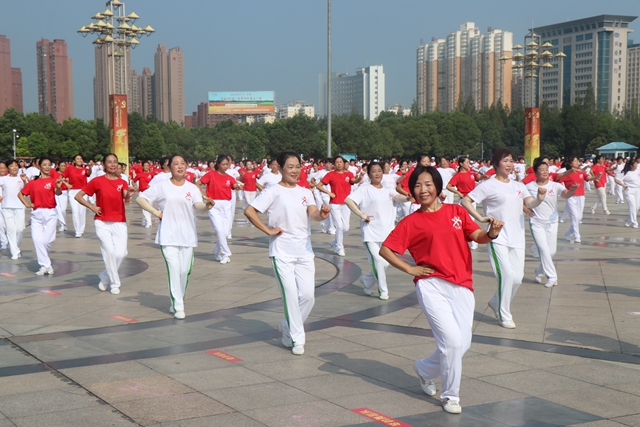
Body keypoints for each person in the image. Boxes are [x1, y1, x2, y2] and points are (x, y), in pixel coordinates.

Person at [380, 165, 504, 415]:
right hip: (431, 284)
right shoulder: (411, 221)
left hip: (462, 285)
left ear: (437, 186)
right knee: (451, 342)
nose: (422, 189)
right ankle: (450, 396)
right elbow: (386, 250)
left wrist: (491, 234)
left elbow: (477, 234)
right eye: (417, 185)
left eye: (427, 184)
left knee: (462, 345)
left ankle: (425, 370)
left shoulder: (456, 211)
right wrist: (410, 270)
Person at [244, 152, 331, 355]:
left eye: (297, 166)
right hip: (282, 251)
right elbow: (250, 210)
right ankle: (297, 338)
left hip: (304, 250)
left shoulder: (305, 192)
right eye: (290, 166)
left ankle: (286, 325)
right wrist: (268, 230)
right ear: (281, 168)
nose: (295, 170)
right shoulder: (273, 191)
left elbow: (313, 214)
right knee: (291, 295)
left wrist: (322, 215)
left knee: (308, 296)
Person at [462, 148, 547, 329]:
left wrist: (539, 198)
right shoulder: (488, 185)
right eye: (505, 161)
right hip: (497, 237)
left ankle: (495, 301)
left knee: (517, 278)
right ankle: (503, 313)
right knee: (506, 275)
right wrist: (480, 218)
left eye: (511, 161)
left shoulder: (518, 185)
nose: (509, 164)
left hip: (517, 238)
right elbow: (466, 201)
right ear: (495, 164)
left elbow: (529, 203)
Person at [136, 155, 214, 319]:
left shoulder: (192, 188)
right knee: (174, 269)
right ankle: (179, 305)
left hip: (187, 235)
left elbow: (198, 205)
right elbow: (140, 199)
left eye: (182, 164)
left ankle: (176, 300)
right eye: (176, 164)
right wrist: (156, 212)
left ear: (187, 167)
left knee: (185, 271)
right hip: (168, 235)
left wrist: (206, 207)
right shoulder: (162, 186)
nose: (180, 166)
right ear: (169, 167)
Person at [345, 161, 410, 300]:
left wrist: (407, 198)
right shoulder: (364, 189)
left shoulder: (388, 190)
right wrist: (362, 215)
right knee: (379, 261)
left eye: (379, 171)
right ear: (369, 174)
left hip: (387, 232)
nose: (377, 174)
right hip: (370, 232)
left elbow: (398, 197)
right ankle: (383, 291)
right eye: (373, 171)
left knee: (386, 262)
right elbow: (349, 201)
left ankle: (367, 280)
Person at [74, 154, 135, 294]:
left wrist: (129, 193)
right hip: (102, 221)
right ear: (104, 164)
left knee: (121, 253)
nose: (113, 165)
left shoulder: (122, 182)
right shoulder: (97, 181)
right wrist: (93, 207)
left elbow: (125, 195)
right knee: (109, 252)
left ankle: (105, 276)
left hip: (119, 221)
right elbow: (78, 196)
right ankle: (114, 283)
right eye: (109, 162)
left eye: (115, 162)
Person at [526, 158, 579, 288]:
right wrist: (525, 209)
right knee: (544, 250)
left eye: (546, 170)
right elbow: (519, 199)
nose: (544, 172)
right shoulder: (529, 186)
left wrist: (572, 190)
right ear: (536, 172)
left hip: (552, 222)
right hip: (536, 222)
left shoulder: (555, 185)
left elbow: (566, 195)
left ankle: (539, 271)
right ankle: (552, 277)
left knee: (551, 252)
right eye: (541, 170)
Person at [18, 158, 63, 275]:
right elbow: (21, 194)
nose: (47, 167)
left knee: (47, 240)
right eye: (45, 165)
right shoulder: (33, 183)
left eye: (49, 165)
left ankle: (44, 264)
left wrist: (58, 187)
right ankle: (45, 265)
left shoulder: (53, 181)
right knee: (37, 240)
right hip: (37, 214)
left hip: (50, 213)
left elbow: (58, 193)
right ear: (39, 166)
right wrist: (27, 204)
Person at [316, 156, 364, 256]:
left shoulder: (349, 174)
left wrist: (360, 177)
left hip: (346, 203)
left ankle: (335, 242)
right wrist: (329, 193)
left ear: (344, 163)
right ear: (334, 164)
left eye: (340, 162)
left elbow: (354, 181)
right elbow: (319, 185)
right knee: (339, 226)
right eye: (337, 162)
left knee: (346, 227)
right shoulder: (330, 175)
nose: (339, 164)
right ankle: (339, 247)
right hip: (334, 204)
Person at [196, 155, 239, 264]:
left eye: (227, 164)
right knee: (219, 230)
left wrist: (238, 186)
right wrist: (204, 196)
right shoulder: (211, 174)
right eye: (223, 164)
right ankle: (226, 254)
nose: (225, 166)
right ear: (218, 164)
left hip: (226, 205)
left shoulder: (230, 177)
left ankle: (216, 250)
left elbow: (234, 185)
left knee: (225, 232)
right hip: (214, 204)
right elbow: (198, 184)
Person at [558, 157, 598, 243]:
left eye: (577, 161)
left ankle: (568, 233)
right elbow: (558, 181)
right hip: (570, 196)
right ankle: (577, 236)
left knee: (579, 218)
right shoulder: (566, 173)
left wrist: (596, 177)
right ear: (570, 163)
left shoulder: (580, 172)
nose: (577, 162)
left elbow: (588, 178)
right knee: (574, 217)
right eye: (575, 161)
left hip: (581, 196)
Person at [447, 156, 480, 250]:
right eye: (467, 162)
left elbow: (479, 177)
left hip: (472, 200)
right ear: (461, 164)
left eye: (469, 162)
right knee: (460, 222)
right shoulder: (458, 176)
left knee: (472, 221)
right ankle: (460, 241)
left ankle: (474, 242)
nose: (468, 164)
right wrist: (458, 192)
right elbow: (449, 186)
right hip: (463, 200)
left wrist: (484, 176)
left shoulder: (471, 174)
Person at [0, 159, 27, 259]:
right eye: (12, 166)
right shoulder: (3, 179)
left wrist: (24, 181)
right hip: (6, 206)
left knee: (20, 229)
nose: (14, 167)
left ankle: (16, 247)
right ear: (8, 168)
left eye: (16, 165)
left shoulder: (21, 178)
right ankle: (14, 252)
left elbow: (26, 190)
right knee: (11, 229)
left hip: (19, 206)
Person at [64, 154, 91, 237]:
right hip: (73, 192)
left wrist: (90, 167)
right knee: (75, 212)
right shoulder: (70, 169)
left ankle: (81, 229)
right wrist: (67, 184)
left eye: (81, 159)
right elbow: (62, 177)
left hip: (82, 192)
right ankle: (77, 231)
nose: (79, 160)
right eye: (77, 159)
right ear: (74, 161)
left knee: (82, 212)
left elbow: (89, 173)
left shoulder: (85, 169)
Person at [615, 157, 640, 228]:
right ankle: (634, 223)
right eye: (635, 164)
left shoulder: (637, 171)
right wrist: (623, 185)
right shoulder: (625, 173)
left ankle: (628, 221)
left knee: (636, 207)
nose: (637, 165)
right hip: (630, 191)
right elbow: (617, 180)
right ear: (631, 166)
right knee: (632, 207)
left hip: (638, 190)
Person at [133, 161, 154, 228]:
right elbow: (133, 181)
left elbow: (156, 182)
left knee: (150, 207)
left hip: (150, 193)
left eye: (147, 166)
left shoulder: (151, 174)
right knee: (144, 208)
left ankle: (149, 221)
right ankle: (148, 221)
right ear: (142, 167)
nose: (146, 167)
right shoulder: (139, 174)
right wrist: (135, 187)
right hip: (142, 192)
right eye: (145, 166)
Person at [51, 161, 71, 231]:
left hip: (64, 192)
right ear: (58, 166)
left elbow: (70, 184)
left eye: (64, 166)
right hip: (56, 191)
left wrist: (65, 181)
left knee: (63, 210)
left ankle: (63, 224)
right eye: (61, 166)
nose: (63, 167)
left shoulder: (67, 174)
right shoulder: (54, 172)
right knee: (57, 208)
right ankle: (62, 224)